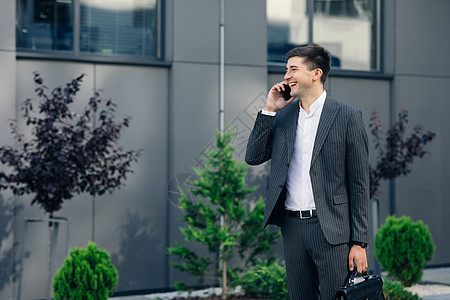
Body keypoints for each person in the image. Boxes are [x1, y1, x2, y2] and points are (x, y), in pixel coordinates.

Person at [245, 45, 369, 299]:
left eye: (293, 69)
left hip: (332, 230)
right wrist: (269, 110)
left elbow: (359, 184)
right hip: (292, 227)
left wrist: (359, 242)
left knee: (336, 296)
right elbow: (254, 157)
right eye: (286, 70)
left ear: (316, 73)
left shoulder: (347, 117)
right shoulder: (283, 116)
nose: (286, 76)